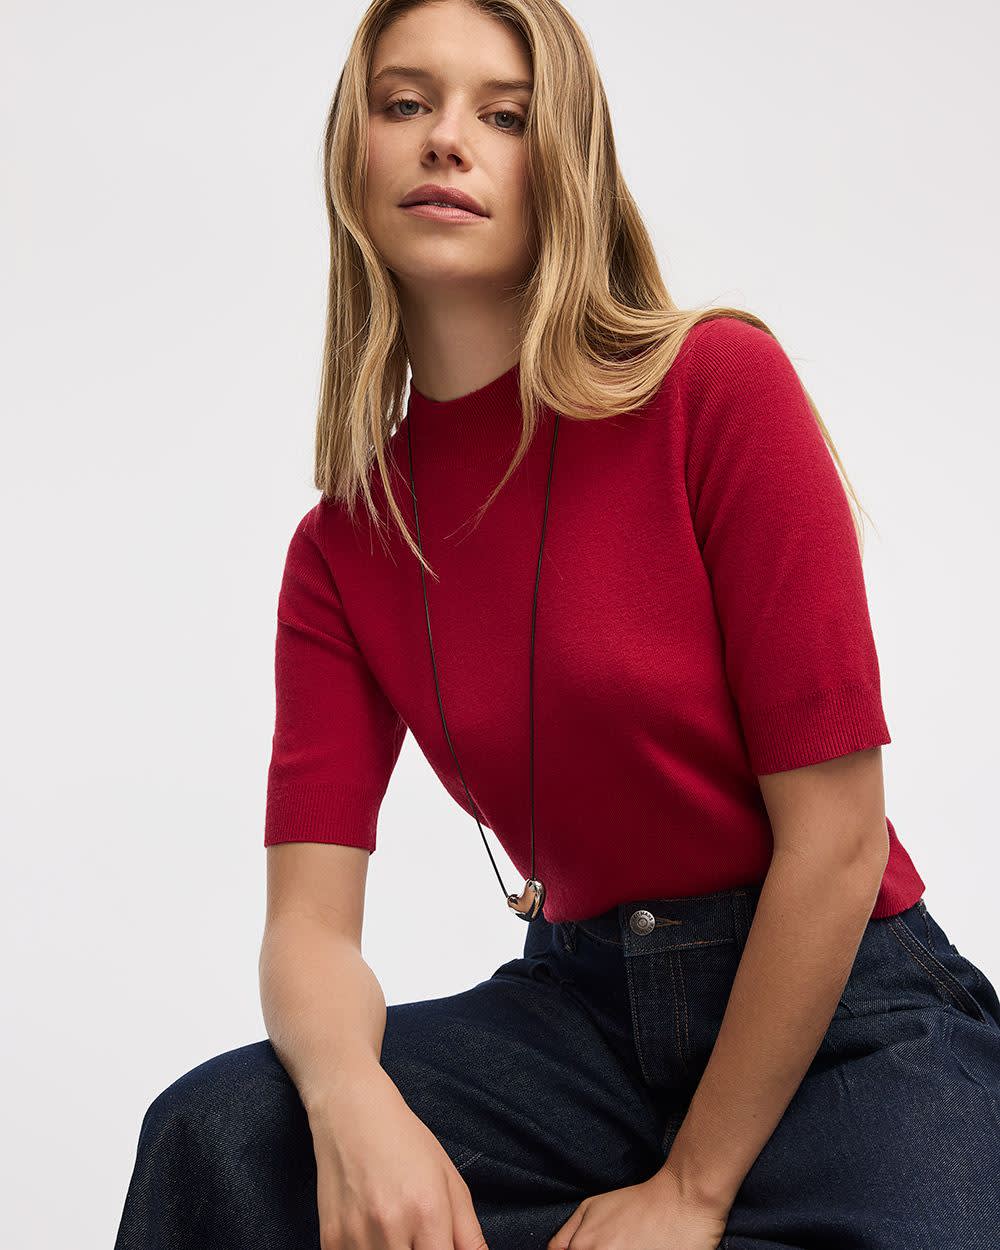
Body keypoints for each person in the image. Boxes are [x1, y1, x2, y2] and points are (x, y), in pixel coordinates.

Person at [113, 1, 1000, 1248]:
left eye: (504, 116)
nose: (446, 138)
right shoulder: (343, 549)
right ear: (352, 154)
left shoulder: (713, 390)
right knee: (220, 1134)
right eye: (405, 103)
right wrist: (353, 1098)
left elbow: (838, 842)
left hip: (845, 1009)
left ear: (565, 164)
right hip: (582, 1016)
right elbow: (308, 924)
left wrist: (690, 1188)